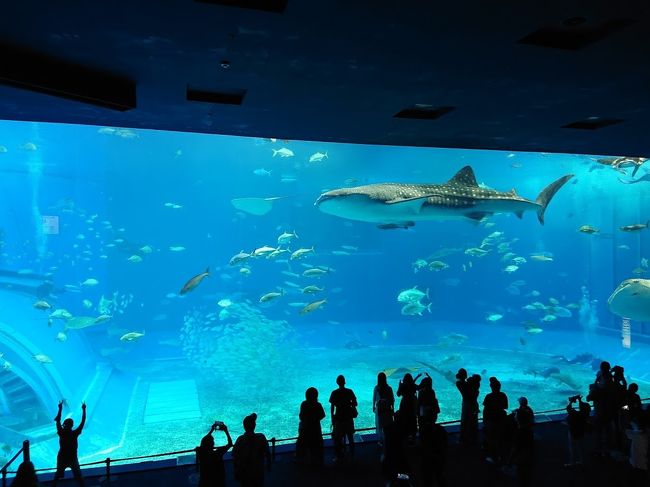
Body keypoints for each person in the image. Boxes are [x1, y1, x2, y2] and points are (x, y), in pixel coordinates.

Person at [52, 401, 86, 487]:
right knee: (78, 476)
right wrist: (84, 409)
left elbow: (58, 420)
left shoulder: (61, 432)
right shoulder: (75, 433)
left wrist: (60, 408)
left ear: (65, 425)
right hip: (72, 457)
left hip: (62, 457)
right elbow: (83, 422)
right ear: (72, 425)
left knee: (58, 475)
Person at [232, 413, 271, 487]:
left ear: (244, 426)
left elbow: (235, 457)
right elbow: (268, 453)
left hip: (244, 472)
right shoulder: (261, 437)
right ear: (255, 425)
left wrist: (235, 471)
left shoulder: (240, 440)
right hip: (258, 470)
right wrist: (269, 465)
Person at [329, 375, 358, 462]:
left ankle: (338, 456)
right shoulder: (349, 391)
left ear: (337, 382)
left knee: (338, 438)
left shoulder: (334, 393)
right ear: (344, 382)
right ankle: (352, 455)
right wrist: (350, 404)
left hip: (339, 418)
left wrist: (332, 419)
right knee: (350, 437)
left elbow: (332, 407)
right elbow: (355, 403)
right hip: (348, 417)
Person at [295, 387, 326, 466]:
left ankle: (305, 461)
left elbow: (301, 417)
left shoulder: (304, 404)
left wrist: (307, 419)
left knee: (305, 444)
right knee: (317, 445)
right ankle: (318, 462)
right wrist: (315, 419)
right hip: (316, 428)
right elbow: (322, 415)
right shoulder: (318, 404)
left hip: (306, 428)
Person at [198, 421, 233, 487]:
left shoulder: (201, 453)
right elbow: (230, 444)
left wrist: (211, 430)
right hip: (218, 482)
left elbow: (204, 442)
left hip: (204, 483)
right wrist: (226, 431)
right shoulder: (218, 453)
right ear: (213, 444)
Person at [482, 377, 508, 465]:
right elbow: (505, 407)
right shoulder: (503, 395)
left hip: (491, 419)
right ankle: (502, 455)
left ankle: (494, 457)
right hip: (501, 418)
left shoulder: (489, 396)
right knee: (500, 437)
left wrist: (484, 420)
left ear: (491, 387)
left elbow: (485, 410)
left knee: (492, 438)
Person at [509, 397, 534, 487]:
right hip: (528, 454)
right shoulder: (528, 410)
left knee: (521, 475)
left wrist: (510, 461)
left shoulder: (519, 433)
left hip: (521, 459)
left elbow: (515, 448)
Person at [456, 369, 480, 446]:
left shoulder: (461, 384)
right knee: (473, 421)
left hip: (467, 405)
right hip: (474, 405)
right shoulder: (474, 387)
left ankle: (463, 439)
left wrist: (466, 379)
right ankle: (473, 438)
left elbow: (460, 382)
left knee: (465, 421)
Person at [565, 394, 591, 467]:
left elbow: (568, 408)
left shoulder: (574, 415)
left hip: (573, 432)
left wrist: (571, 402)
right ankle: (582, 461)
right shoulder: (584, 415)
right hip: (581, 431)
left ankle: (572, 462)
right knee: (581, 446)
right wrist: (580, 400)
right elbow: (583, 408)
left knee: (572, 447)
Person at [625, 411, 648, 487]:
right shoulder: (646, 433)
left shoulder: (636, 435)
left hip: (637, 465)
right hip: (645, 464)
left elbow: (624, 430)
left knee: (635, 480)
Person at [396, 373, 421, 440]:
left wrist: (399, 385)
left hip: (404, 403)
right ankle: (413, 435)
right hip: (413, 403)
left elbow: (398, 394)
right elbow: (418, 387)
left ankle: (405, 435)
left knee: (404, 418)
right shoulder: (412, 385)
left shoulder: (403, 385)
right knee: (413, 418)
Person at [373, 372, 395, 448]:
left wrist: (373, 406)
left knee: (380, 426)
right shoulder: (389, 388)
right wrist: (393, 410)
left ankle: (381, 441)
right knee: (387, 427)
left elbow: (374, 398)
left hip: (380, 411)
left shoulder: (376, 388)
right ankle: (388, 442)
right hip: (387, 410)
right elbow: (392, 400)